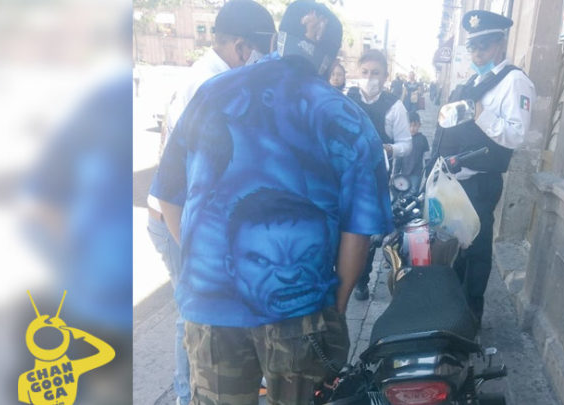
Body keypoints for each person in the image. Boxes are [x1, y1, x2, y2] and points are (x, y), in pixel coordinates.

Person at [150, 1, 393, 404]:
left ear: (278, 39)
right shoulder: (346, 118)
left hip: (211, 306)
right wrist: (334, 307)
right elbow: (358, 232)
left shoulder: (212, 92)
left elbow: (167, 195)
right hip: (300, 312)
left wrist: (202, 266)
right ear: (332, 58)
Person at [144, 2, 275, 404]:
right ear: (242, 47)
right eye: (265, 51)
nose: (267, 62)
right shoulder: (209, 85)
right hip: (177, 217)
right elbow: (178, 180)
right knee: (194, 314)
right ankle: (186, 396)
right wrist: (195, 247)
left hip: (191, 216)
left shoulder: (217, 79)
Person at [432, 10, 536, 325]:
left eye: (485, 45)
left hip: (480, 182)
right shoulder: (476, 81)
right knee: (458, 248)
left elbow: (515, 135)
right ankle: (455, 311)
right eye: (473, 47)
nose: (477, 53)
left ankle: (471, 316)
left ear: (500, 44)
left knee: (476, 251)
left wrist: (480, 113)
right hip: (456, 180)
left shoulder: (514, 81)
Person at [345, 49, 412, 301]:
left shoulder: (394, 106)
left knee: (366, 232)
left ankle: (361, 280)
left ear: (385, 76)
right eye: (364, 72)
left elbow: (407, 144)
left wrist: (389, 148)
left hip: (375, 179)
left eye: (375, 73)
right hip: (345, 174)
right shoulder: (346, 98)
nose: (369, 77)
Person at [396, 111, 430, 195]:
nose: (412, 128)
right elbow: (399, 156)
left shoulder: (422, 139)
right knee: (402, 191)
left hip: (416, 172)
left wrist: (428, 170)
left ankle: (412, 202)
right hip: (404, 172)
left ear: (419, 125)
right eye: (410, 125)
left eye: (415, 125)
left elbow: (427, 156)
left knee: (413, 191)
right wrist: (396, 171)